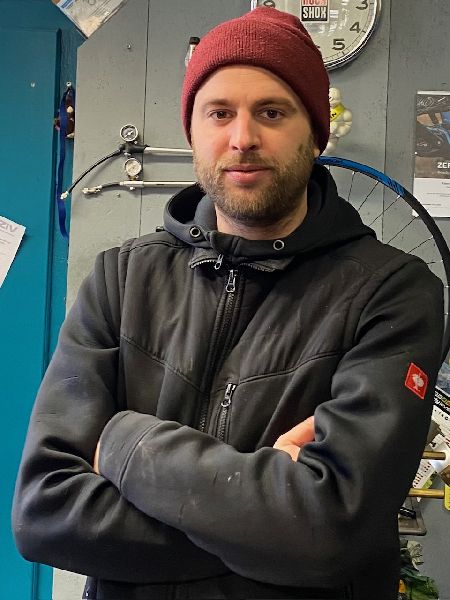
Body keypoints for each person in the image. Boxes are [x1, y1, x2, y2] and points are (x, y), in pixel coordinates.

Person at [13, 7, 444, 600]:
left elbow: (328, 532)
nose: (243, 138)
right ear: (193, 132)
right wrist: (267, 524)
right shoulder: (121, 277)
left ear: (315, 133)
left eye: (272, 112)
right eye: (219, 113)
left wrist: (125, 444)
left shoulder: (392, 291)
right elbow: (44, 510)